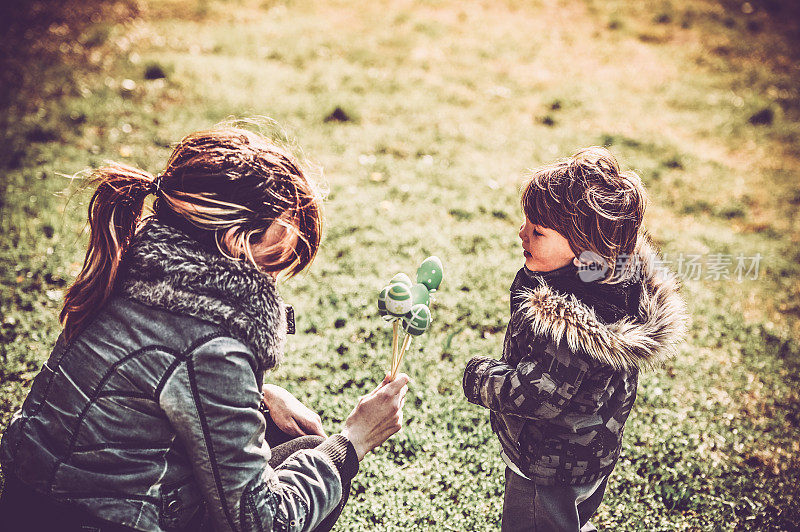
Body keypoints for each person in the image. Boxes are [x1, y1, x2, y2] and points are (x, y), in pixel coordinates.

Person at [0, 126, 410, 532]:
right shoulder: (214, 347)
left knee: (276, 433)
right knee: (315, 456)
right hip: (101, 522)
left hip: (29, 507)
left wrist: (260, 396)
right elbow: (263, 522)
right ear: (238, 241)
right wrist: (352, 443)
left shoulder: (130, 268)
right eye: (285, 236)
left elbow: (152, 373)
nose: (289, 256)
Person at [462, 147, 688, 531]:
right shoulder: (617, 285)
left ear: (585, 252)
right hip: (591, 455)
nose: (522, 233)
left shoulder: (570, 328)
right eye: (526, 222)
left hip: (546, 466)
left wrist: (479, 377)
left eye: (538, 231)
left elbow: (536, 393)